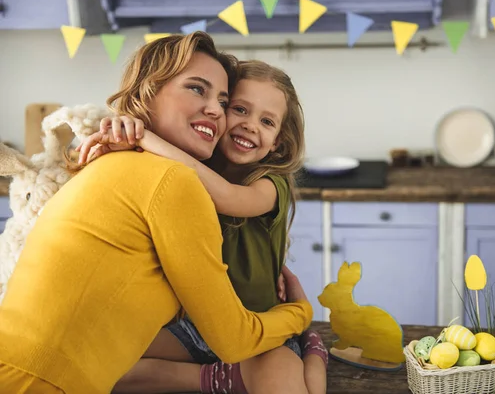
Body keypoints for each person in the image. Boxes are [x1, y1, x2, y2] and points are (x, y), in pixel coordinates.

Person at [0, 32, 313, 394]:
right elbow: (234, 339)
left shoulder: (123, 162)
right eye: (198, 89)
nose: (216, 110)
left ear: (279, 142)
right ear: (147, 92)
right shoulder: (172, 180)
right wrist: (301, 314)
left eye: (222, 101)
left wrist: (142, 135)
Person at [78, 60, 328, 394]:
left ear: (278, 143)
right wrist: (129, 128)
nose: (251, 126)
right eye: (239, 109)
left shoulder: (272, 183)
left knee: (294, 384)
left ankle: (314, 351)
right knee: (101, 362)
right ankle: (217, 378)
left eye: (266, 121)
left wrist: (146, 138)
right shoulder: (191, 162)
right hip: (196, 327)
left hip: (261, 327)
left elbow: (228, 197)